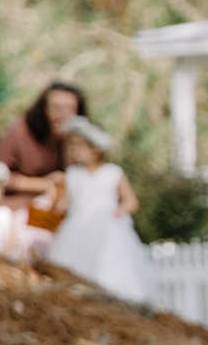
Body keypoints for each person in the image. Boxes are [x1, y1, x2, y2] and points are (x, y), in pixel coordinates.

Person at [43, 119, 152, 302]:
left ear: (95, 148)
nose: (74, 151)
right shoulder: (72, 175)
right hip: (77, 228)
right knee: (75, 265)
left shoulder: (112, 172)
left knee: (108, 263)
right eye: (72, 145)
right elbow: (63, 205)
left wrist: (121, 210)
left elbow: (131, 201)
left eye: (79, 146)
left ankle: (114, 296)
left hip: (107, 227)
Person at [0, 83, 86, 217]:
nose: (62, 114)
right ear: (44, 109)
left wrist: (70, 142)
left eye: (69, 108)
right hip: (18, 207)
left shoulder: (80, 139)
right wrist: (42, 184)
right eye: (56, 108)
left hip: (62, 207)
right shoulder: (21, 132)